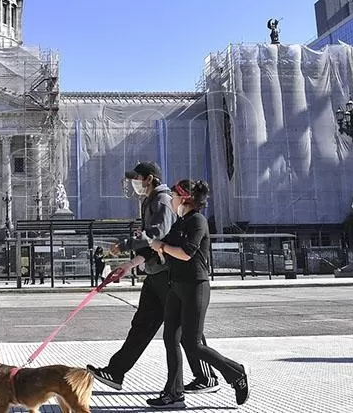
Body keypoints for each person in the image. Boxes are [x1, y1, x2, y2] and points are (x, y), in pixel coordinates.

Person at [87, 162, 217, 393]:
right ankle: (116, 372)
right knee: (142, 325)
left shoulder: (162, 200)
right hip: (156, 273)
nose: (132, 183)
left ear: (149, 179)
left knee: (187, 329)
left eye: (136, 178)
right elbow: (153, 246)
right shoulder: (150, 201)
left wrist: (126, 245)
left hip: (168, 275)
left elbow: (157, 236)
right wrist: (129, 265)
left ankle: (206, 376)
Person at [146, 179, 250, 408]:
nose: (170, 199)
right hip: (176, 286)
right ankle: (174, 394)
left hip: (195, 287)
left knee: (193, 344)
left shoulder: (198, 221)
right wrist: (154, 246)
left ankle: (236, 373)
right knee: (170, 338)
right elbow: (167, 248)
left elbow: (186, 253)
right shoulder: (179, 222)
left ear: (184, 198)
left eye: (173, 195)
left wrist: (162, 247)